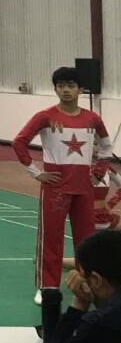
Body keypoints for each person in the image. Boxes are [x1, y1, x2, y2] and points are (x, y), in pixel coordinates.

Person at [13, 65, 113, 304]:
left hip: (84, 190)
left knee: (86, 241)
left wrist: (98, 173)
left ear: (79, 89)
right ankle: (47, 287)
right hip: (55, 190)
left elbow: (106, 146)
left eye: (70, 85)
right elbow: (19, 142)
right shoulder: (45, 117)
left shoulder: (92, 119)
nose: (66, 90)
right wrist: (36, 173)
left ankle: (87, 283)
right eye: (61, 86)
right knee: (51, 239)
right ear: (55, 89)